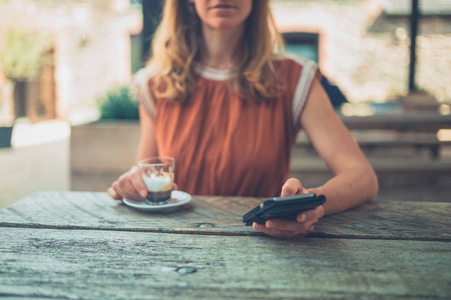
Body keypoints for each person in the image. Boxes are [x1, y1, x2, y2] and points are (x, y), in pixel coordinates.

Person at [108, 0, 378, 238]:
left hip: (263, 246)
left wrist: (308, 208)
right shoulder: (155, 84)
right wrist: (134, 183)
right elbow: (149, 173)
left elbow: (362, 177)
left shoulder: (295, 77)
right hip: (176, 246)